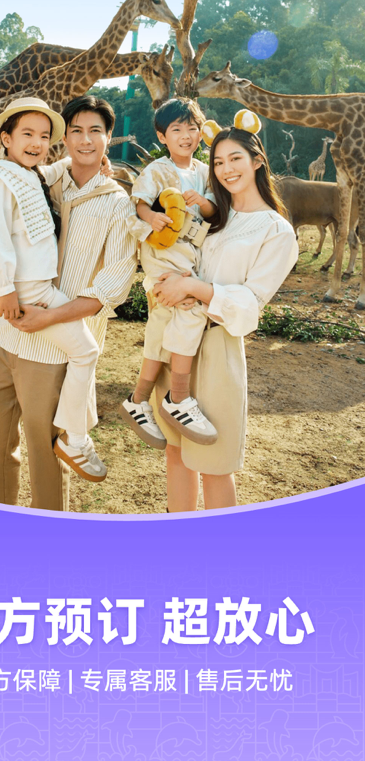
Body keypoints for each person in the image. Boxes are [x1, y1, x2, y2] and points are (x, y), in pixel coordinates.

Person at [0, 94, 137, 511]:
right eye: (76, 131)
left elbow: (112, 286)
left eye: (96, 132)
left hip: (50, 345)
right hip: (5, 328)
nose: (85, 141)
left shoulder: (118, 204)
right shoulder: (43, 178)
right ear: (64, 139)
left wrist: (49, 317)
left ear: (109, 138)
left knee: (46, 456)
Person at [150, 109, 299, 513]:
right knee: (177, 454)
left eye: (235, 158)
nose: (226, 168)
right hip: (180, 343)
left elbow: (250, 307)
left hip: (218, 350)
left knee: (214, 464)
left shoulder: (276, 230)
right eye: (218, 161)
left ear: (257, 161)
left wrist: (193, 287)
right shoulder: (217, 218)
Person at [120, 97, 218, 448]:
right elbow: (140, 201)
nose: (186, 135)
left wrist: (203, 202)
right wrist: (151, 217)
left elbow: (213, 209)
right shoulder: (157, 170)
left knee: (161, 327)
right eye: (177, 129)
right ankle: (178, 397)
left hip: (187, 257)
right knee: (190, 309)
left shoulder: (205, 172)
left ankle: (137, 400)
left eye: (192, 128)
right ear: (163, 136)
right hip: (164, 255)